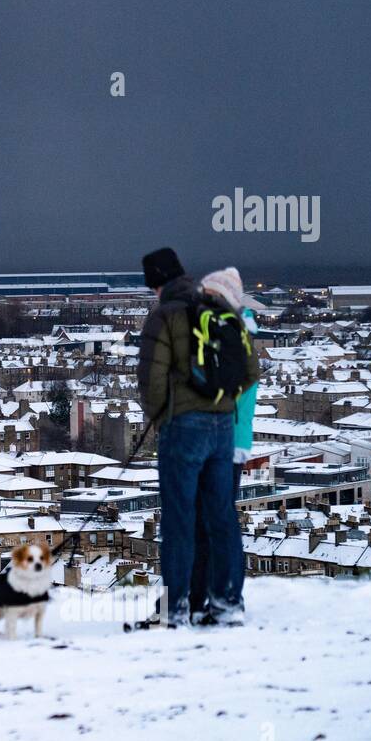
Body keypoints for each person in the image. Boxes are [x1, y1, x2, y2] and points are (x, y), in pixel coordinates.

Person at [136, 248, 259, 627]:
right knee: (221, 517)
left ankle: (176, 609)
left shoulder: (165, 315)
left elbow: (151, 381)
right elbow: (250, 369)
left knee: (180, 519)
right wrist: (220, 403)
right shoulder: (218, 310)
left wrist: (166, 419)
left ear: (156, 284)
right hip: (223, 428)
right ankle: (227, 603)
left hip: (183, 428)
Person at [188, 267, 259, 623]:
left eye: (209, 296)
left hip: (223, 442)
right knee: (205, 523)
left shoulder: (232, 337)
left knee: (217, 523)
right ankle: (198, 597)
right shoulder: (222, 335)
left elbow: (225, 393)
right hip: (217, 440)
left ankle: (226, 599)